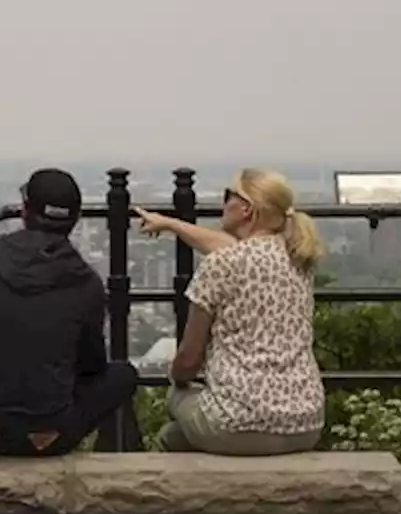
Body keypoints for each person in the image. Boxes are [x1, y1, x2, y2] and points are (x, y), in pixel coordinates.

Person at [133, 167, 327, 455]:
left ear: (246, 208)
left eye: (228, 196)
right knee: (176, 435)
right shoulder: (299, 257)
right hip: (307, 422)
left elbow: (188, 357)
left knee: (178, 398)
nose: (222, 204)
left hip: (239, 423)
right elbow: (239, 249)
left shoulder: (222, 264)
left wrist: (178, 378)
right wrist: (171, 224)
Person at [0, 168, 141, 455]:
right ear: (75, 219)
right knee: (123, 375)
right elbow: (92, 366)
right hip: (46, 435)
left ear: (25, 210)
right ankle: (115, 452)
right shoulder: (85, 282)